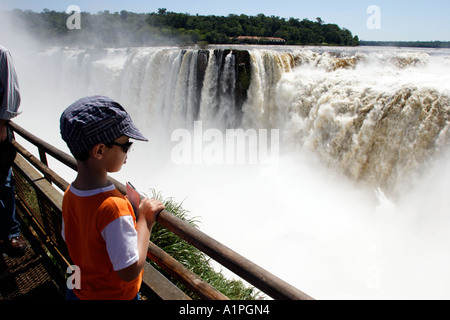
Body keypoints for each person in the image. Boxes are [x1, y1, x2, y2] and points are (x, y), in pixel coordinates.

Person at [60, 95, 165, 300]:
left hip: (79, 290)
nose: (128, 152)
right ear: (99, 150)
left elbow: (70, 238)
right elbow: (129, 271)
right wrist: (144, 219)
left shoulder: (70, 194)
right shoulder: (114, 208)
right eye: (126, 145)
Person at [0, 45, 26, 254]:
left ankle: (11, 232)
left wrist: (2, 123)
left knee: (3, 181)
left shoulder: (2, 54)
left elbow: (11, 91)